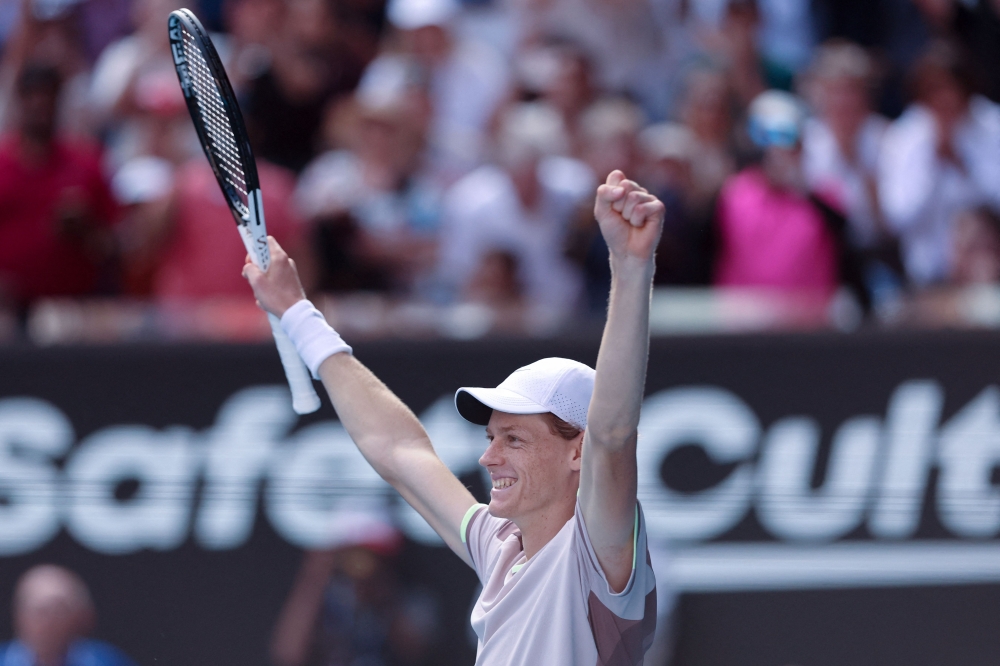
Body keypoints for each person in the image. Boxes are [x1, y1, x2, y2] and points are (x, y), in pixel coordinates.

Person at [243, 168, 662, 663]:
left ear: (578, 451)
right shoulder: (500, 544)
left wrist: (630, 267)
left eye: (514, 439)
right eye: (492, 437)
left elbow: (612, 433)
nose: (488, 457)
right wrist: (298, 312)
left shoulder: (596, 553)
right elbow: (400, 451)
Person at [0, 63, 118, 308]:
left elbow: (114, 248)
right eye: (31, 94)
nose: (39, 103)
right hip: (6, 310)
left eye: (47, 94)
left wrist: (85, 229)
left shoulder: (86, 163)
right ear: (18, 100)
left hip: (71, 308)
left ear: (59, 100)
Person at [0, 565, 137, 666]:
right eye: (40, 611)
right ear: (18, 615)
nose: (48, 622)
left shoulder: (110, 661)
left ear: (82, 617)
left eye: (59, 611)